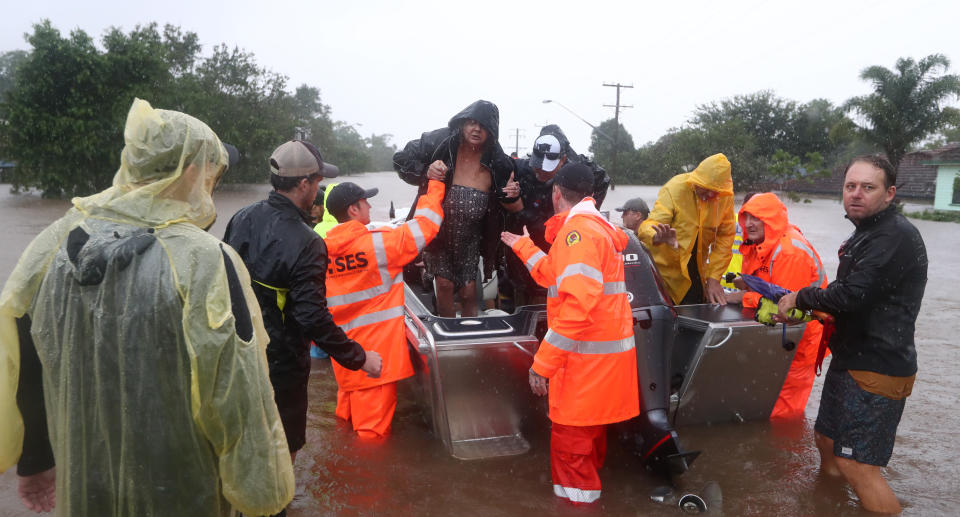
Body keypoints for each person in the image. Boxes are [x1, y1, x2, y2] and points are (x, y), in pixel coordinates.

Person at [0, 99, 294, 516]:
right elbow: (236, 391)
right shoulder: (204, 259)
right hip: (181, 482)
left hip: (86, 474)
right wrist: (265, 498)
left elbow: (24, 352)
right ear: (191, 171)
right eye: (211, 171)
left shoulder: (55, 242)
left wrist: (35, 459)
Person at [223, 141, 382, 481]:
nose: (319, 189)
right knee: (283, 449)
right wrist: (359, 357)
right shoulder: (307, 241)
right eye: (317, 181)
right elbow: (311, 316)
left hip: (238, 353)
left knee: (244, 440)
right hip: (282, 363)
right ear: (305, 184)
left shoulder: (241, 218)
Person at [776, 155, 927, 514]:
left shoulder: (893, 236)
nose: (856, 194)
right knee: (827, 442)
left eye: (868, 187)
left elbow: (852, 294)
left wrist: (802, 296)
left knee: (858, 465)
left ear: (889, 194)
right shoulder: (869, 232)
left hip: (878, 367)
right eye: (850, 186)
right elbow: (860, 296)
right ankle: (829, 506)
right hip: (851, 359)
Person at [501, 163, 639, 505]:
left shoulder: (578, 234)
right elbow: (554, 275)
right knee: (587, 449)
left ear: (556, 193)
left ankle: (578, 509)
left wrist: (542, 364)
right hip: (601, 367)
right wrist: (524, 247)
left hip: (584, 368)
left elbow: (577, 307)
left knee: (572, 459)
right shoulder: (593, 230)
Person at [323, 180, 444, 438]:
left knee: (345, 427)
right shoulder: (380, 246)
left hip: (346, 359)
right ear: (353, 210)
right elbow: (427, 224)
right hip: (375, 363)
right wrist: (435, 185)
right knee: (372, 440)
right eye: (365, 201)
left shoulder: (322, 252)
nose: (369, 205)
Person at [393, 100, 515, 317]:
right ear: (462, 123)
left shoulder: (498, 161)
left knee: (469, 292)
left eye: (484, 125)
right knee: (445, 285)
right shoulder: (440, 141)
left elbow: (512, 205)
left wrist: (514, 193)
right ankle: (446, 332)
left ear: (492, 131)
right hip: (438, 232)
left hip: (470, 237)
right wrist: (425, 172)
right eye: (471, 122)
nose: (476, 129)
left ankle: (472, 337)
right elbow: (400, 159)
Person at [723, 192, 828, 419]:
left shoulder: (790, 252)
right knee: (761, 402)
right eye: (746, 217)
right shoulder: (757, 244)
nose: (749, 224)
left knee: (783, 415)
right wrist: (746, 284)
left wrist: (742, 297)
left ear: (770, 219)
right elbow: (769, 287)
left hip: (800, 342)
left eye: (756, 218)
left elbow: (787, 309)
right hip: (775, 338)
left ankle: (785, 451)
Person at [500, 125, 610, 308]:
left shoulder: (576, 170)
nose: (540, 172)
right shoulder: (521, 168)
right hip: (525, 234)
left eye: (548, 169)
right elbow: (497, 179)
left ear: (563, 160)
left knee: (554, 289)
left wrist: (583, 212)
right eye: (537, 167)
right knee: (520, 289)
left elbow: (603, 179)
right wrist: (508, 193)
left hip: (559, 238)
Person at [637, 153, 736, 305]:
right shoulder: (675, 188)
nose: (709, 194)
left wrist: (714, 278)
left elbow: (725, 238)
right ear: (697, 179)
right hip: (665, 277)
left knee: (696, 317)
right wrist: (657, 237)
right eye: (705, 188)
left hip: (697, 276)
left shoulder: (725, 196)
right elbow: (647, 226)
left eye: (715, 192)